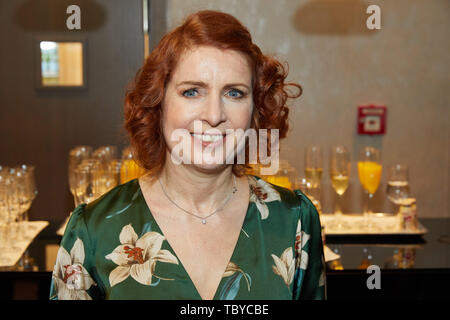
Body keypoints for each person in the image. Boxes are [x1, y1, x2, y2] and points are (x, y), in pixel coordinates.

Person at [49, 10, 326, 300]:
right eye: (192, 92)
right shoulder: (93, 230)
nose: (214, 115)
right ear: (158, 102)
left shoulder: (294, 221)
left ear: (255, 112)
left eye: (234, 93)